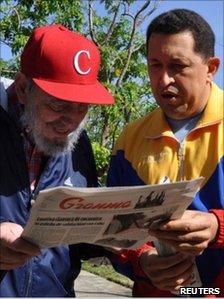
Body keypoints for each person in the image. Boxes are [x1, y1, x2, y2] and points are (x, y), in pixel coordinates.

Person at [0, 24, 144, 297]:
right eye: (58, 105)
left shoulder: (78, 145)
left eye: (83, 107)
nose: (72, 121)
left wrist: (114, 237)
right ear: (22, 89)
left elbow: (76, 245)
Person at [107, 9, 224, 297]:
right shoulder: (129, 139)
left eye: (178, 66)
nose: (163, 80)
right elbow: (110, 228)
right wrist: (142, 260)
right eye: (155, 65)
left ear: (211, 67)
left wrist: (217, 226)